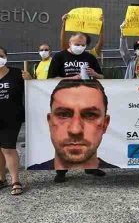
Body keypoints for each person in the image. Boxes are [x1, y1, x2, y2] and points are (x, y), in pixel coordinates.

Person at [47, 32, 105, 182]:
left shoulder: (89, 58)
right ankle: (61, 171)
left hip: (87, 97)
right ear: (69, 44)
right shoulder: (60, 57)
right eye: (76, 44)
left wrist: (96, 74)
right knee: (66, 134)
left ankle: (91, 167)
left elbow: (103, 77)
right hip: (65, 98)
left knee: (89, 133)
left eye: (82, 44)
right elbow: (51, 78)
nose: (79, 47)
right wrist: (71, 79)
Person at [28, 79, 118, 171]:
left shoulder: (121, 179)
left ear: (105, 124)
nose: (75, 130)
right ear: (50, 122)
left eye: (90, 115)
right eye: (63, 115)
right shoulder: (30, 177)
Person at [0, 47, 29, 195]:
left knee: (7, 148)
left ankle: (15, 180)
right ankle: (1, 178)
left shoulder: (17, 74)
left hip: (12, 118)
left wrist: (29, 80)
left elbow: (32, 89)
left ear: (6, 57)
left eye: (1, 55)